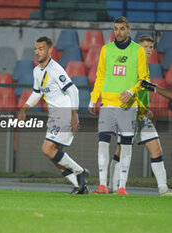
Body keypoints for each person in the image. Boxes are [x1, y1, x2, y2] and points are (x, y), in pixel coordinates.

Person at [18, 36, 89, 195]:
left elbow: (73, 90)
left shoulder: (55, 69)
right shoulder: (37, 70)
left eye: (41, 49)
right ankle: (79, 186)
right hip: (54, 115)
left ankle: (80, 172)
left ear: (50, 50)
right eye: (36, 49)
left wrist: (74, 114)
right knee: (55, 155)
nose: (37, 52)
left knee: (47, 149)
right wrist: (24, 109)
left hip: (64, 113)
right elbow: (37, 93)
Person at [88, 16, 149, 195]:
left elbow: (143, 78)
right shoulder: (106, 49)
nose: (118, 32)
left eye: (122, 28)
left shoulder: (137, 50)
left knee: (126, 144)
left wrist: (131, 91)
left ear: (129, 30)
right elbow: (100, 76)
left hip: (128, 105)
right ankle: (102, 185)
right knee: (103, 143)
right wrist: (94, 98)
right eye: (116, 28)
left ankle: (122, 186)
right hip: (107, 103)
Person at [108, 35, 172, 196]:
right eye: (145, 47)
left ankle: (163, 188)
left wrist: (144, 109)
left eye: (151, 47)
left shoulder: (145, 67)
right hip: (127, 115)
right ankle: (112, 186)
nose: (149, 50)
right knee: (120, 151)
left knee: (156, 149)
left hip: (141, 117)